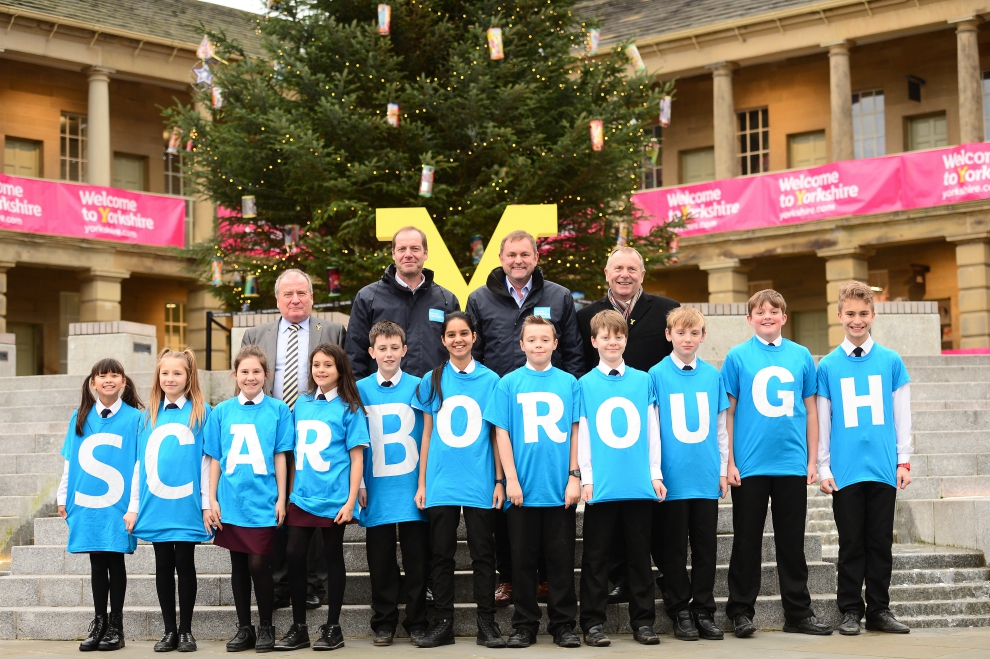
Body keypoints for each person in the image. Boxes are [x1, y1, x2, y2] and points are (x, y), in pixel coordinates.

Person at [467, 230, 583, 605]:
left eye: (525, 254)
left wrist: (573, 395)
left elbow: (575, 352)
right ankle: (510, 577)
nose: (518, 260)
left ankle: (547, 579)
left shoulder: (559, 296)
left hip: (551, 409)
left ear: (536, 257)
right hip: (503, 411)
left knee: (550, 505)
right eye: (511, 254)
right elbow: (475, 352)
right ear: (500, 258)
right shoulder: (479, 299)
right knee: (506, 499)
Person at [723, 290, 832, 638]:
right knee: (746, 541)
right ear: (749, 318)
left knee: (791, 542)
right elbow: (729, 413)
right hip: (750, 465)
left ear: (784, 317)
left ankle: (798, 613)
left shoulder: (801, 355)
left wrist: (812, 459)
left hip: (791, 463)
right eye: (759, 311)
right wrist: (730, 462)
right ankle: (740, 611)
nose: (766, 316)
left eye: (773, 311)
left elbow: (812, 411)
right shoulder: (737, 356)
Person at [576, 245, 679, 602]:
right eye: (617, 268)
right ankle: (619, 577)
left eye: (631, 269)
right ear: (606, 273)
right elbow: (578, 362)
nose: (624, 274)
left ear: (642, 275)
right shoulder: (586, 315)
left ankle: (665, 579)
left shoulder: (666, 310)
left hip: (653, 420)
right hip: (605, 427)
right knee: (615, 517)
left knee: (652, 513)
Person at [241, 268, 346, 611]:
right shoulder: (257, 334)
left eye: (301, 293)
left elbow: (343, 378)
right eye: (288, 294)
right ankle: (279, 580)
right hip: (270, 432)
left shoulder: (331, 330)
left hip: (314, 432)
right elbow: (248, 379)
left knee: (309, 507)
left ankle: (313, 583)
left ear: (312, 297)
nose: (295, 299)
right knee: (278, 504)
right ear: (277, 300)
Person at [817, 281, 913, 636]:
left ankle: (879, 610)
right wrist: (823, 466)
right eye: (850, 314)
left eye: (863, 314)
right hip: (845, 469)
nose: (857, 321)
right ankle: (850, 611)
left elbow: (902, 414)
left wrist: (904, 460)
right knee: (851, 543)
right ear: (840, 316)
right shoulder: (827, 365)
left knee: (879, 542)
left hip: (884, 466)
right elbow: (824, 420)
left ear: (872, 315)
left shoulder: (890, 361)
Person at [484, 315, 583, 648]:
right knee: (522, 561)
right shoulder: (508, 383)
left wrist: (574, 476)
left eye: (545, 339)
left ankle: (563, 624)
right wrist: (510, 479)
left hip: (559, 489)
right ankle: (524, 624)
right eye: (532, 339)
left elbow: (574, 432)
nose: (539, 345)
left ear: (555, 344)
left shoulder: (569, 383)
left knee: (560, 560)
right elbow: (502, 433)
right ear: (522, 344)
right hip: (521, 490)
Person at [411, 312, 506, 649]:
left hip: (480, 479)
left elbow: (496, 436)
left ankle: (486, 624)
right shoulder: (431, 379)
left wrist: (499, 480)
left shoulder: (491, 379)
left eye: (463, 333)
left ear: (474, 337)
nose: (458, 340)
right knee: (441, 555)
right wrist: (422, 483)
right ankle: (444, 623)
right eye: (451, 334)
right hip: (441, 480)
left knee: (483, 553)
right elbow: (426, 435)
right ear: (443, 340)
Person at [577, 310, 665, 648]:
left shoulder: (643, 380)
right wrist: (587, 477)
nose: (612, 341)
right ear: (594, 341)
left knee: (639, 556)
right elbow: (583, 434)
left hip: (638, 481)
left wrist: (655, 473)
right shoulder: (584, 384)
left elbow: (652, 432)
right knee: (596, 556)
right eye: (606, 336)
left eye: (618, 336)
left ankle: (643, 622)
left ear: (626, 340)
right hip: (603, 483)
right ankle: (593, 623)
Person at [275, 343, 369, 652]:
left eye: (328, 365)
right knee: (294, 555)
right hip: (302, 497)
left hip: (334, 498)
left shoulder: (350, 407)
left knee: (332, 559)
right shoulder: (301, 404)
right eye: (316, 365)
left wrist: (350, 500)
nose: (321, 370)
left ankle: (333, 627)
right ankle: (300, 626)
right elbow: (290, 453)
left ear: (340, 369)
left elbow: (357, 458)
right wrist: (288, 494)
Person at [204, 345, 294, 653]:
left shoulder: (279, 410)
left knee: (259, 564)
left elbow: (281, 456)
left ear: (266, 375)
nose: (250, 377)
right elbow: (215, 458)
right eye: (244, 371)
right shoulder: (222, 411)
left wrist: (283, 498)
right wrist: (212, 498)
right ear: (235, 375)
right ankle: (245, 628)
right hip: (231, 501)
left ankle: (266, 625)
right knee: (239, 565)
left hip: (264, 499)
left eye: (256, 371)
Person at [648, 307, 729, 642]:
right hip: (673, 477)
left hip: (706, 475)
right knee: (674, 549)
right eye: (680, 333)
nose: (687, 339)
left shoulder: (712, 375)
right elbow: (652, 428)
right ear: (669, 335)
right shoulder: (655, 374)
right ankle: (680, 610)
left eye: (694, 333)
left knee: (706, 547)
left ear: (703, 337)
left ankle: (704, 610)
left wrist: (724, 469)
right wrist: (655, 472)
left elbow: (722, 427)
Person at [128, 349, 212, 653]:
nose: (170, 379)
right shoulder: (148, 414)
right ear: (158, 376)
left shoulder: (202, 412)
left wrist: (206, 503)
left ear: (188, 377)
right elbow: (139, 463)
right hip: (157, 502)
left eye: (177, 373)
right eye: (165, 373)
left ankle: (187, 630)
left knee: (185, 562)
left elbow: (206, 462)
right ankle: (169, 630)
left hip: (187, 502)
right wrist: (134, 506)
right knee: (162, 563)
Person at [57, 358, 144, 652]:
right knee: (96, 561)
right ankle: (99, 622)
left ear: (123, 382)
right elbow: (70, 460)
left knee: (115, 558)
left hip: (118, 502)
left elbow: (138, 464)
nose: (108, 379)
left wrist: (134, 504)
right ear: (93, 382)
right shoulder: (79, 416)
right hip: (88, 500)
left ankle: (116, 627)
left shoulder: (136, 418)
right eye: (102, 375)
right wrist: (62, 494)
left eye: (114, 375)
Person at [356, 321, 431, 647]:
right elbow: (354, 441)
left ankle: (417, 620)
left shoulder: (420, 386)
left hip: (411, 485)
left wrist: (426, 483)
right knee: (381, 560)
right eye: (382, 348)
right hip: (376, 487)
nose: (388, 354)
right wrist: (358, 482)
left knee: (417, 561)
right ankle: (383, 622)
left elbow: (429, 437)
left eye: (394, 347)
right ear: (372, 352)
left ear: (404, 350)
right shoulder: (359, 389)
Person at [346, 226, 460, 379]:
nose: (408, 254)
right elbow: (354, 355)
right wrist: (358, 397)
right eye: (401, 249)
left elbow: (458, 352)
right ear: (393, 254)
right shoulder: (368, 298)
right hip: (383, 398)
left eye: (415, 248)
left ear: (425, 253)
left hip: (434, 395)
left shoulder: (446, 300)